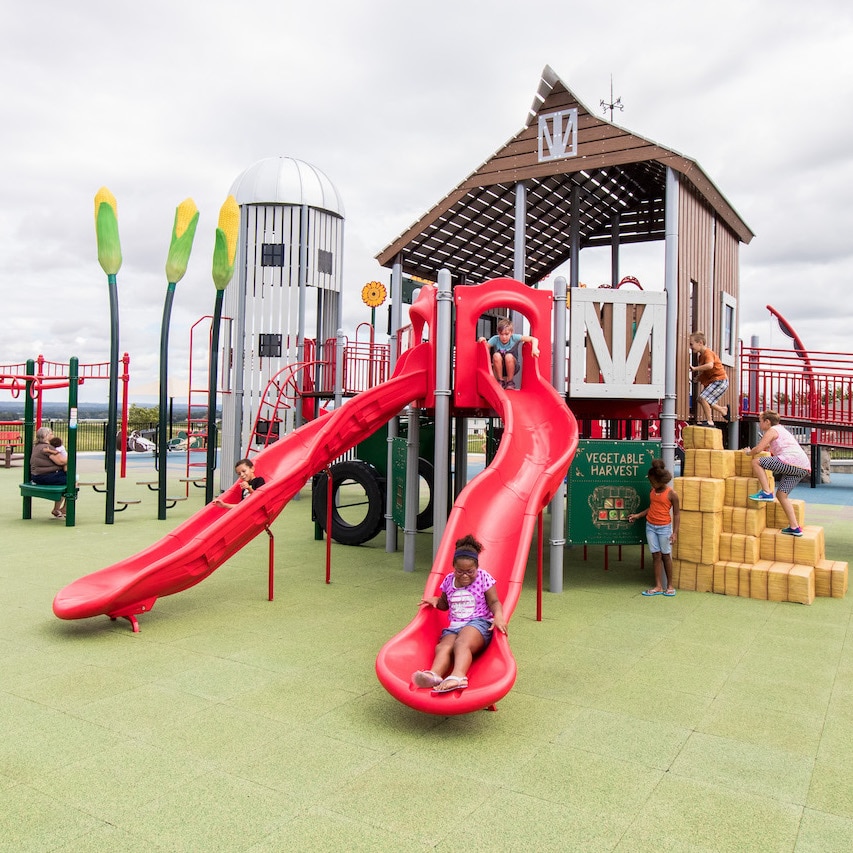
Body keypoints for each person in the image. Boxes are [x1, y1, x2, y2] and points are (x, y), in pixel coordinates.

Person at [412, 534, 508, 693]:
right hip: (455, 626)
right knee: (443, 646)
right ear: (453, 567)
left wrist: (498, 616)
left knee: (461, 643)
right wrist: (436, 601)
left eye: (470, 571)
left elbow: (494, 602)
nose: (464, 575)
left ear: (476, 567)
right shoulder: (449, 580)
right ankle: (434, 674)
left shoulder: (483, 578)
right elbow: (445, 603)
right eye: (459, 571)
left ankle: (458, 676)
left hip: (479, 623)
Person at [744, 410, 811, 536]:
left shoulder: (772, 430)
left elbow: (758, 449)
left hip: (790, 461)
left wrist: (748, 452)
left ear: (767, 422)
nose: (759, 425)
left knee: (756, 462)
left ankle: (767, 492)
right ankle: (795, 527)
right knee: (781, 495)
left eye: (760, 421)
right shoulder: (781, 430)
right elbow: (772, 448)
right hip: (802, 467)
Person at [627, 459, 681, 596]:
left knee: (665, 556)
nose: (651, 484)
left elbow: (676, 513)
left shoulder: (672, 494)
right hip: (650, 526)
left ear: (660, 481)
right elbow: (652, 508)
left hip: (664, 528)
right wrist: (638, 515)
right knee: (656, 555)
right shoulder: (653, 491)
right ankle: (658, 586)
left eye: (652, 482)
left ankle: (670, 586)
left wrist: (674, 533)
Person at [478, 318, 539, 389]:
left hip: (513, 366)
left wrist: (534, 348)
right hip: (500, 367)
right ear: (498, 333)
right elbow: (485, 347)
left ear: (511, 332)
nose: (504, 337)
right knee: (496, 355)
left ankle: (510, 382)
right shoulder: (495, 339)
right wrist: (482, 340)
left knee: (508, 356)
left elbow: (534, 339)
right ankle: (500, 381)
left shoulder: (514, 337)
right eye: (501, 334)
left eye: (507, 334)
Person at [688, 331, 730, 426]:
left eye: (691, 344)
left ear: (700, 343)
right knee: (701, 399)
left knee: (703, 398)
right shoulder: (701, 356)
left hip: (720, 380)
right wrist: (699, 377)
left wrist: (695, 369)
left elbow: (710, 366)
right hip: (716, 381)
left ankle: (710, 422)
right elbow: (706, 371)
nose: (690, 347)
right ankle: (722, 410)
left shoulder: (708, 353)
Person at [30, 426, 67, 518]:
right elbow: (61, 461)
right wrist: (71, 457)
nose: (53, 435)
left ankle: (57, 509)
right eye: (51, 434)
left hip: (36, 476)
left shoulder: (37, 446)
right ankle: (64, 508)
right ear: (45, 436)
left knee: (64, 480)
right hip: (46, 476)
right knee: (72, 482)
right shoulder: (47, 447)